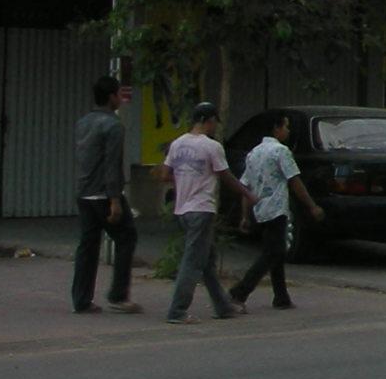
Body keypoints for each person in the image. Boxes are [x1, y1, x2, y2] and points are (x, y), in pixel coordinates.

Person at [160, 102, 247, 323]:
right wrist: (247, 193)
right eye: (214, 121)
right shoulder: (212, 146)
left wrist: (183, 181)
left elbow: (164, 174)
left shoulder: (177, 144)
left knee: (206, 260)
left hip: (182, 209)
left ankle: (222, 306)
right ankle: (177, 311)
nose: (214, 126)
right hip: (202, 208)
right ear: (208, 121)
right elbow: (225, 175)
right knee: (193, 262)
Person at [229, 117, 324, 310]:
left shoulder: (254, 153)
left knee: (275, 252)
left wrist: (245, 215)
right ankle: (240, 291)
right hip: (276, 208)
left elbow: (246, 186)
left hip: (260, 208)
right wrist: (311, 205)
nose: (288, 131)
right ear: (276, 128)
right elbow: (294, 181)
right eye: (286, 126)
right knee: (273, 253)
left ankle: (281, 297)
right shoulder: (281, 151)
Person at [70, 75, 142, 315]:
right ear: (112, 97)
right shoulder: (113, 125)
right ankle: (118, 295)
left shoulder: (83, 122)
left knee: (88, 246)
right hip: (104, 193)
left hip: (84, 192)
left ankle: (81, 299)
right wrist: (115, 199)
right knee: (126, 237)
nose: (121, 98)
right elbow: (112, 164)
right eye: (119, 94)